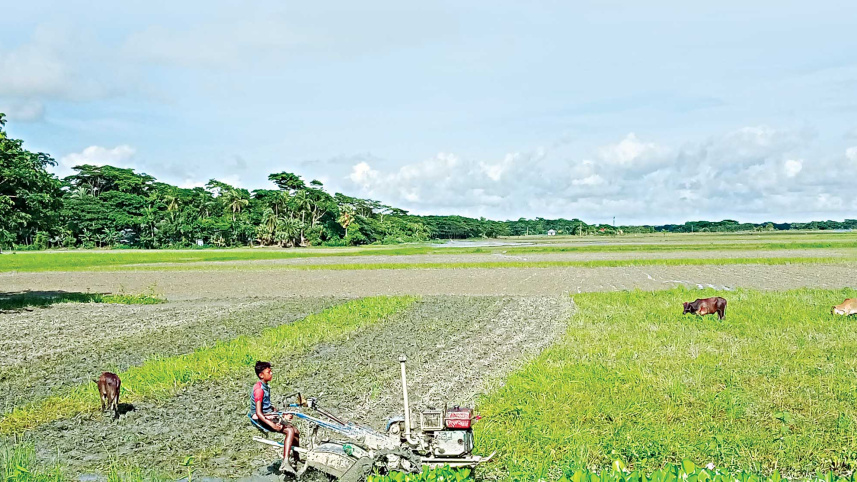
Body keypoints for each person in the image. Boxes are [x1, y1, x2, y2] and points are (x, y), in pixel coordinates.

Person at [250, 361, 300, 473]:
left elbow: (266, 405)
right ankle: (285, 462)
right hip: (261, 418)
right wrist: (273, 424)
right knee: (290, 431)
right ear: (261, 375)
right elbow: (259, 412)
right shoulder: (259, 390)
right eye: (269, 372)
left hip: (268, 414)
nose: (271, 373)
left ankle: (296, 459)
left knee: (296, 431)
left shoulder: (264, 386)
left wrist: (276, 411)